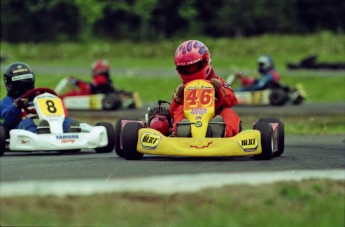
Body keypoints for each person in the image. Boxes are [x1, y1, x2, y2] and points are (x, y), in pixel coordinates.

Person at [169, 40, 241, 138]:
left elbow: (232, 99)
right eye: (187, 68)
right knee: (180, 110)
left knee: (228, 113)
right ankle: (182, 131)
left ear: (206, 61)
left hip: (214, 117)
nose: (191, 71)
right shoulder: (182, 89)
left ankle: (219, 131)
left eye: (195, 66)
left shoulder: (217, 81)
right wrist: (178, 98)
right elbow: (171, 111)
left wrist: (219, 90)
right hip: (190, 120)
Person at [0, 62, 80, 133]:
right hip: (21, 128)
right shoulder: (6, 102)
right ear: (9, 83)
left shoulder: (39, 97)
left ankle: (71, 131)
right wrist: (16, 106)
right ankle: (38, 132)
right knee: (27, 122)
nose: (23, 84)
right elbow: (6, 122)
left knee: (66, 121)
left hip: (47, 122)